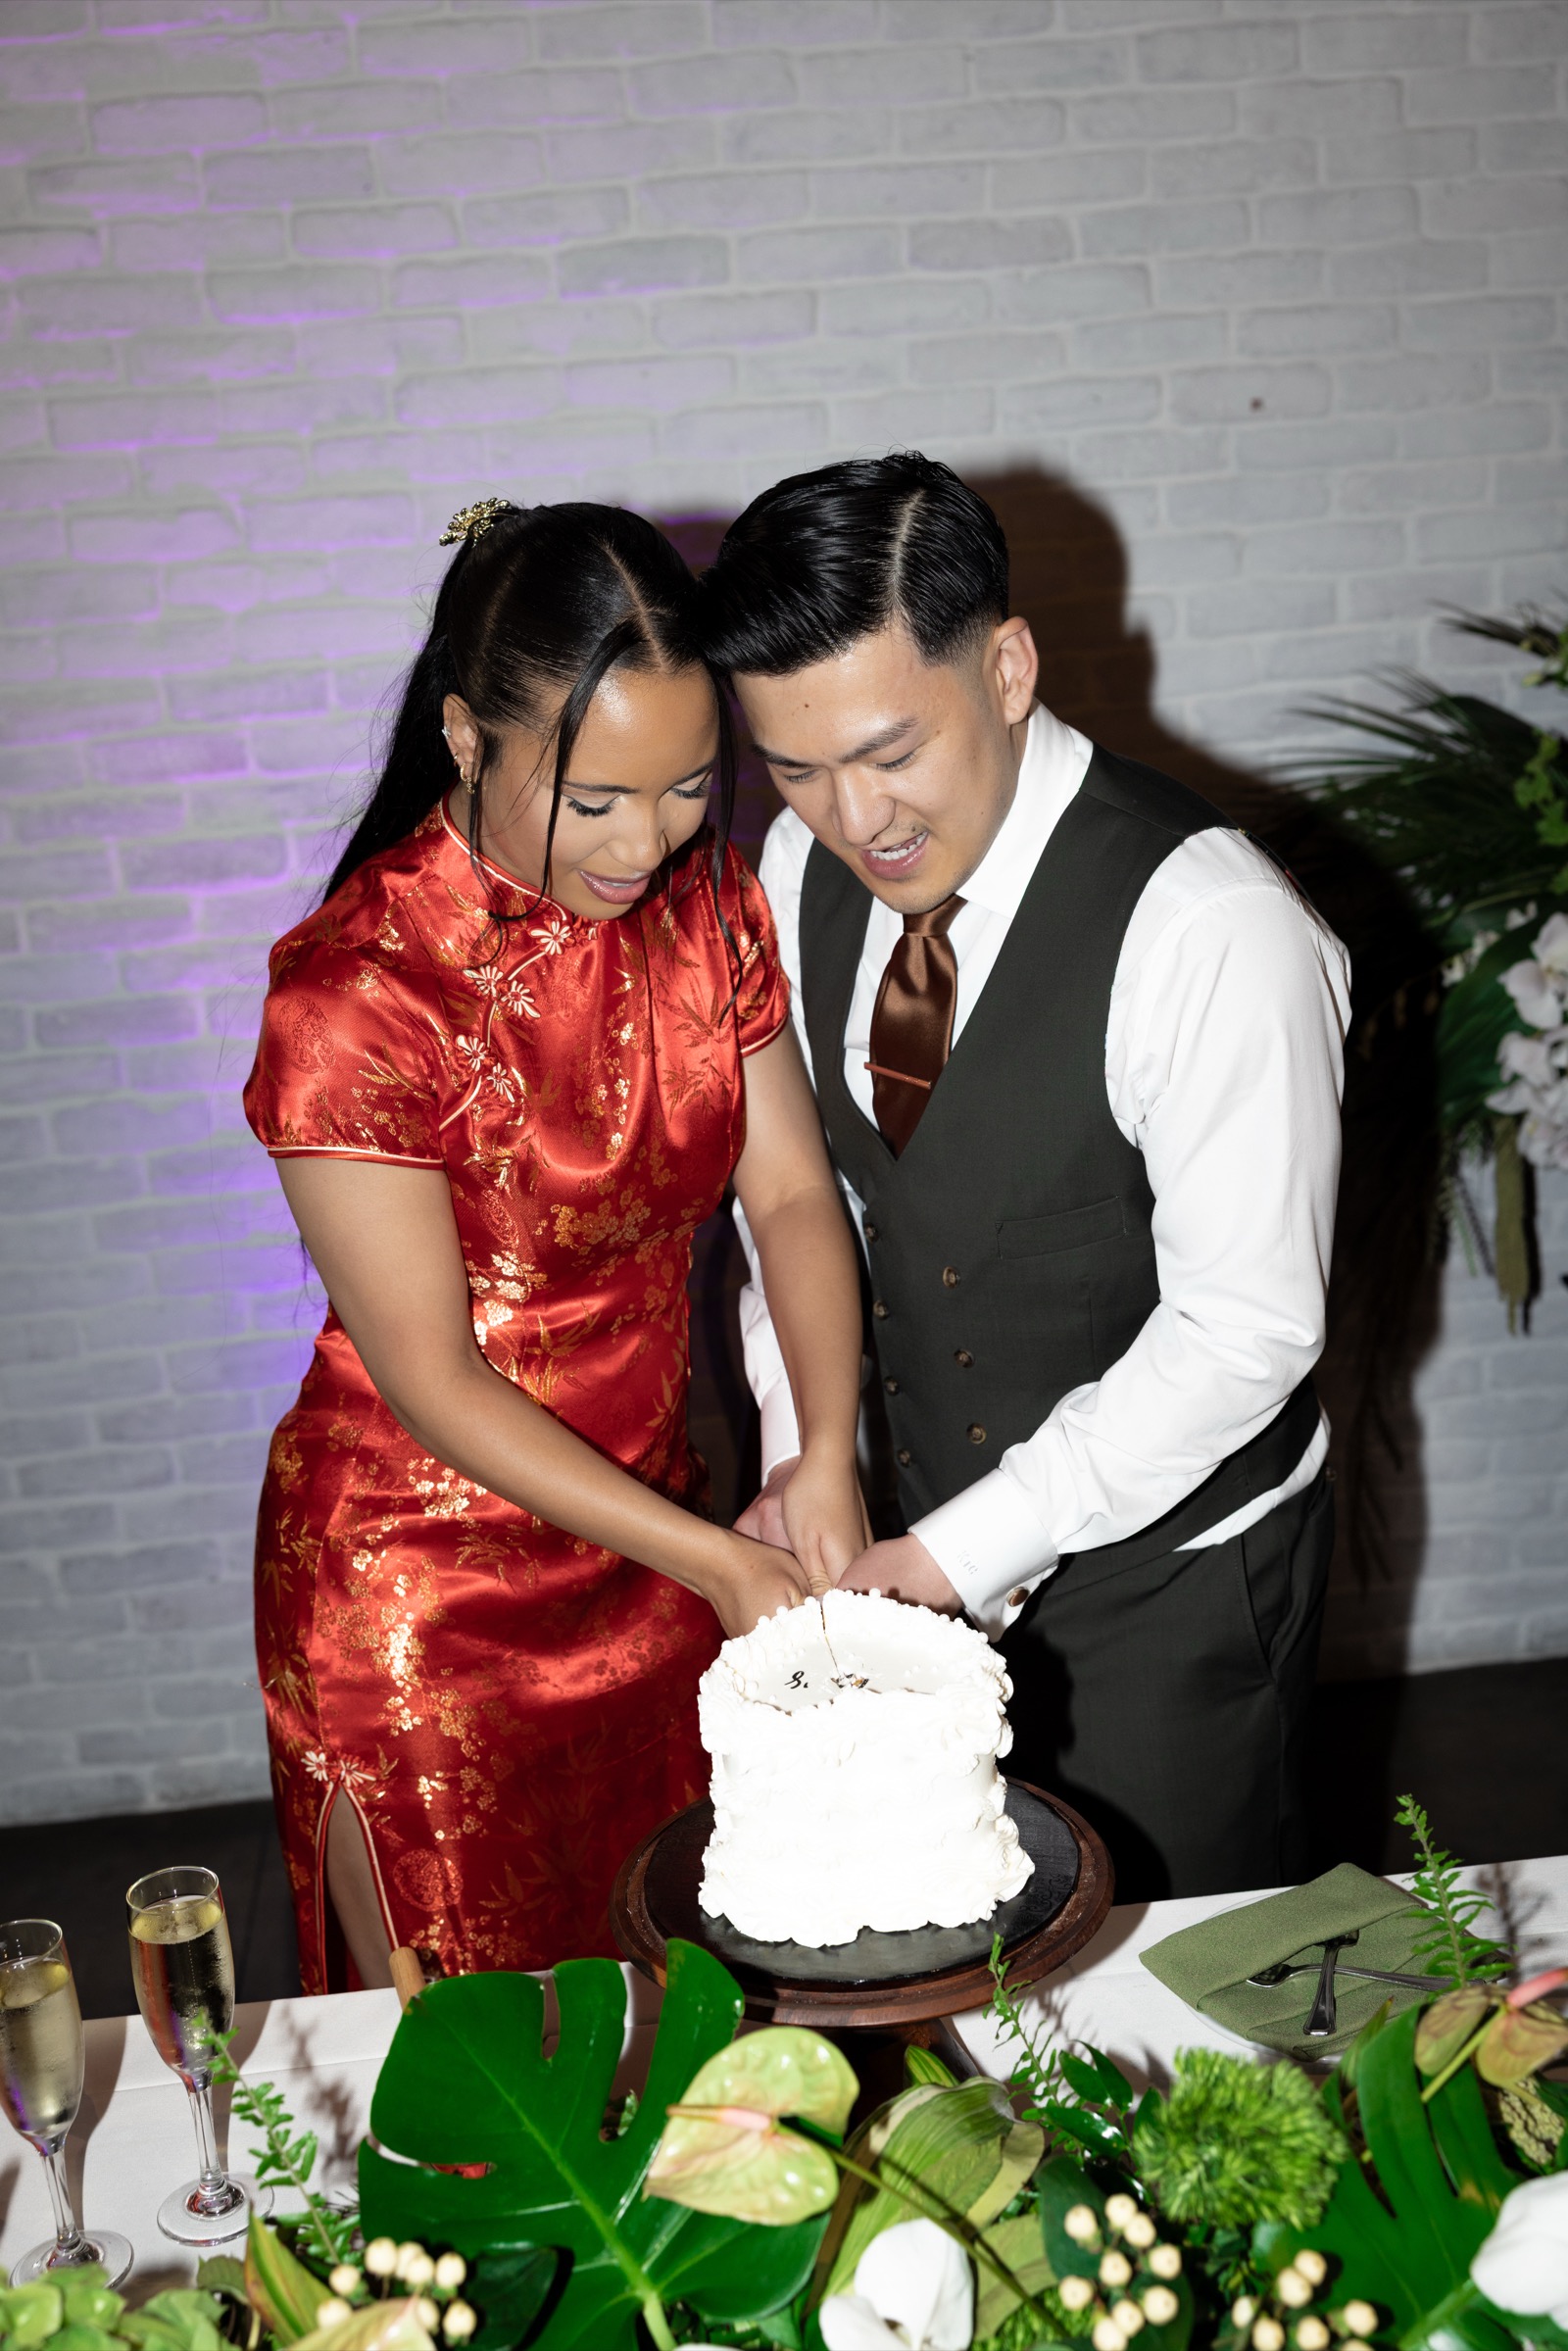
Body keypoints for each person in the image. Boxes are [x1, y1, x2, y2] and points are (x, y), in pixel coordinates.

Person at [706, 454, 1351, 1901]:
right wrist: (804, 1444)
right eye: (796, 769)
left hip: (1167, 1595)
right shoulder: (793, 874)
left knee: (1169, 1980)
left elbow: (1246, 1330)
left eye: (891, 752)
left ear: (1006, 670)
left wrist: (957, 1553)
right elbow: (806, 1204)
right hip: (910, 1560)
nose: (853, 819)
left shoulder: (1214, 930)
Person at [243, 497, 867, 1992]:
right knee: (490, 2062)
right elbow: (432, 1378)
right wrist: (715, 1560)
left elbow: (791, 1196)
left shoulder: (707, 905)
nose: (647, 842)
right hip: (425, 1592)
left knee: (683, 2012)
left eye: (688, 788)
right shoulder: (357, 994)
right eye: (595, 801)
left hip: (656, 1547)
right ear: (467, 737)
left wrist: (827, 1450)